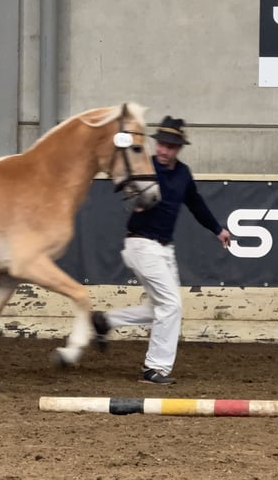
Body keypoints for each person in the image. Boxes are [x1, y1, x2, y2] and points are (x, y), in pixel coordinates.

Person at [91, 115, 231, 384]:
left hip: (165, 249)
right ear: (157, 144)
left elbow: (196, 203)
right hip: (141, 244)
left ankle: (105, 320)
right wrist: (134, 198)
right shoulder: (145, 166)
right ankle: (155, 368)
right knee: (171, 305)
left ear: (179, 148)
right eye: (163, 144)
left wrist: (218, 229)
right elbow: (122, 184)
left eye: (171, 146)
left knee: (160, 307)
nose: (165, 150)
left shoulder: (183, 174)